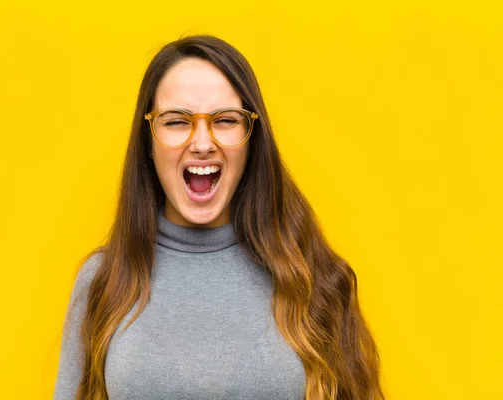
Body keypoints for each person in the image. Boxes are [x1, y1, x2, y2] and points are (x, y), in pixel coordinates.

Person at [53, 35, 385, 400]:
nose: (201, 142)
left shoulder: (313, 275)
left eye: (225, 120)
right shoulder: (103, 280)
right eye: (176, 121)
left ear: (251, 138)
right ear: (148, 139)